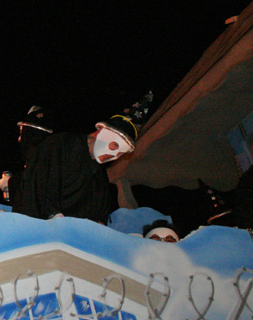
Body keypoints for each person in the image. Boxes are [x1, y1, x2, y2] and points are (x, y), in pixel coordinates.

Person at [14, 92, 152, 223]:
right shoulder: (60, 145)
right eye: (115, 145)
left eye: (121, 153)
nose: (114, 155)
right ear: (102, 131)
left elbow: (101, 215)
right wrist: (53, 215)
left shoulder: (98, 178)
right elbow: (38, 186)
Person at [0, 105, 57, 203]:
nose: (19, 139)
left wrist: (10, 183)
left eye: (22, 134)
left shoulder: (44, 156)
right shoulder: (51, 153)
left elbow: (36, 186)